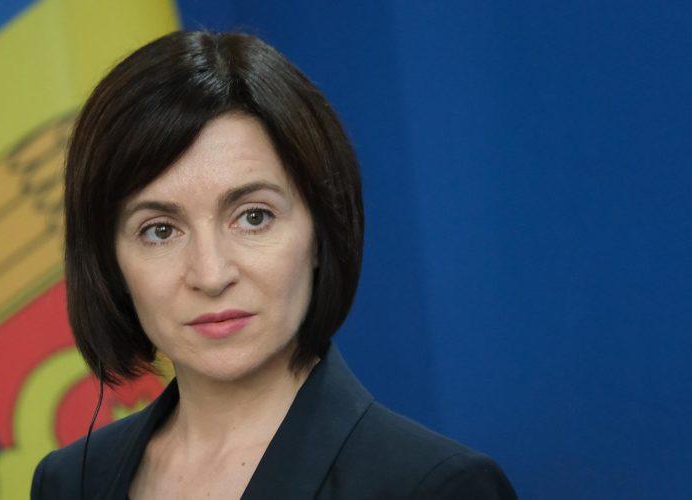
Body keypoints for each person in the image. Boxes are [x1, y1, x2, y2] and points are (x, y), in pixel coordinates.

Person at [30, 30, 517, 500]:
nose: (211, 275)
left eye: (253, 217)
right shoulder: (69, 483)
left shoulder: (433, 487)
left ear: (320, 234)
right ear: (109, 262)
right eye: (160, 230)